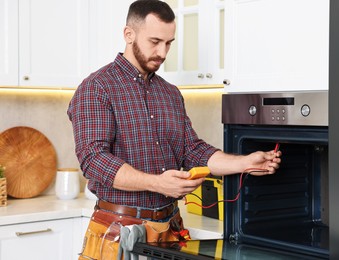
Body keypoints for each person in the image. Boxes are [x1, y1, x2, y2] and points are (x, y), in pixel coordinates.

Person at [67, 0, 282, 259]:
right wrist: (157, 183)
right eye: (155, 41)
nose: (163, 52)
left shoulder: (170, 93)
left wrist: (245, 163)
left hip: (170, 229)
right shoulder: (97, 88)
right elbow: (94, 160)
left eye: (169, 43)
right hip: (117, 229)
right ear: (128, 34)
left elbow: (192, 150)